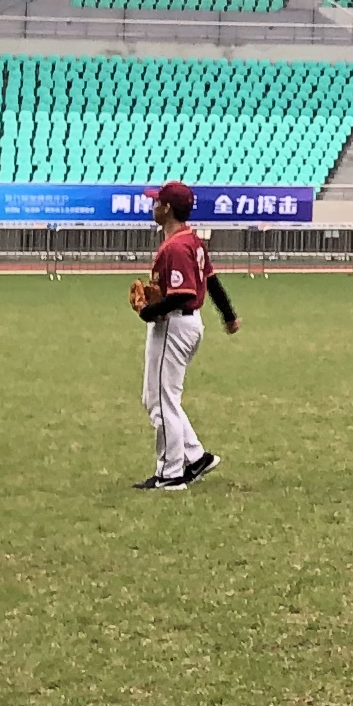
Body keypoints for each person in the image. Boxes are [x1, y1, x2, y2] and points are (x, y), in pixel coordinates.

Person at [132, 180, 237, 491]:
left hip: (174, 325)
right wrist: (228, 314)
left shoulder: (177, 246)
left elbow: (183, 293)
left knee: (162, 402)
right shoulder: (191, 240)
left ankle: (170, 473)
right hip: (184, 324)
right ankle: (196, 457)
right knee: (157, 398)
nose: (153, 206)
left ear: (167, 208)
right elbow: (211, 280)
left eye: (157, 202)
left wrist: (148, 311)